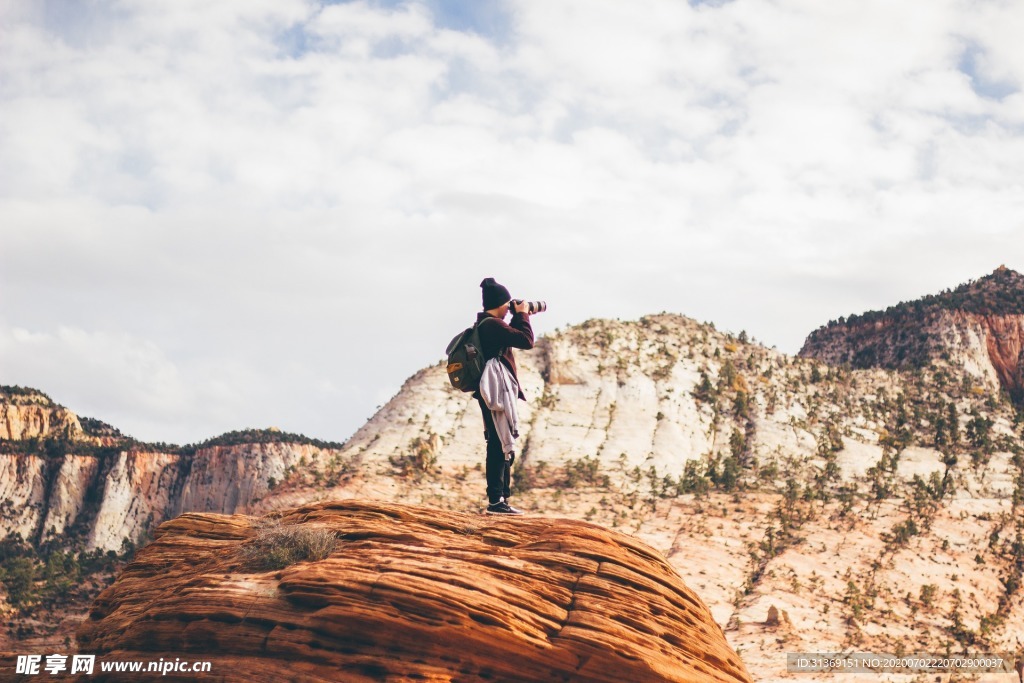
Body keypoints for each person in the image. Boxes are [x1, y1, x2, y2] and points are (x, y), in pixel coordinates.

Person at [473, 277, 534, 514]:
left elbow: (516, 336)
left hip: (491, 389)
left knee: (500, 441)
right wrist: (523, 314)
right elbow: (526, 340)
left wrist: (519, 315)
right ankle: (496, 501)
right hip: (495, 388)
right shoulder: (492, 325)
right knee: (498, 443)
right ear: (500, 303)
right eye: (508, 305)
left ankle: (502, 499)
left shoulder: (487, 325)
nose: (510, 308)